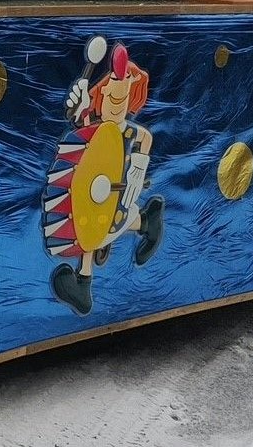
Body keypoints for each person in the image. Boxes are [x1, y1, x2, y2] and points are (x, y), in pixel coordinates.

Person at [46, 40, 164, 315]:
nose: (115, 106)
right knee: (92, 227)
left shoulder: (129, 133)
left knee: (96, 232)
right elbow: (82, 127)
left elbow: (146, 138)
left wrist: (137, 172)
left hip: (115, 196)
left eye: (122, 100)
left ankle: (83, 283)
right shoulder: (99, 129)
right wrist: (79, 107)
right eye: (111, 99)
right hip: (95, 192)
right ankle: (148, 221)